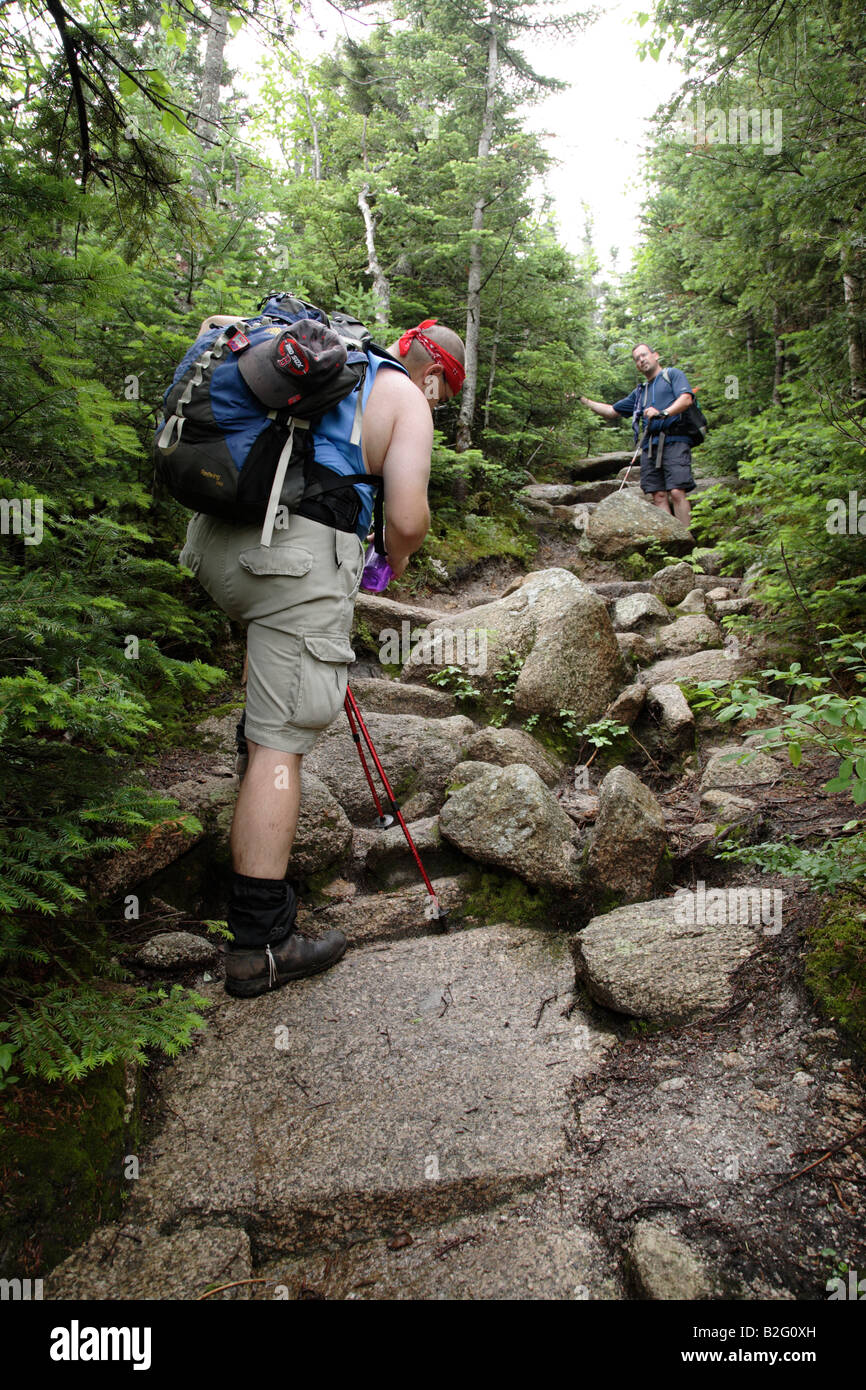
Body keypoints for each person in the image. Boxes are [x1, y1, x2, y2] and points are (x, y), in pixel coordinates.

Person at [178, 317, 465, 997]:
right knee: (282, 746)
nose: (437, 406)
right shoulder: (403, 398)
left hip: (214, 544)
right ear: (434, 374)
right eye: (444, 397)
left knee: (267, 691)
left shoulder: (326, 361)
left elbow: (216, 334)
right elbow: (408, 518)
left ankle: (252, 821)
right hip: (292, 567)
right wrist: (389, 565)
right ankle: (262, 943)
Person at [579, 344, 696, 526]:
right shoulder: (640, 392)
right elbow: (611, 411)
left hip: (675, 440)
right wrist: (583, 399)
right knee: (657, 495)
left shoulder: (672, 375)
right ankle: (670, 542)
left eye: (644, 355)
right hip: (650, 446)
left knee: (676, 492)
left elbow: (686, 399)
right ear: (637, 366)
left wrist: (663, 413)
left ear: (655, 356)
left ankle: (688, 545)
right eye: (637, 359)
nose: (641, 360)